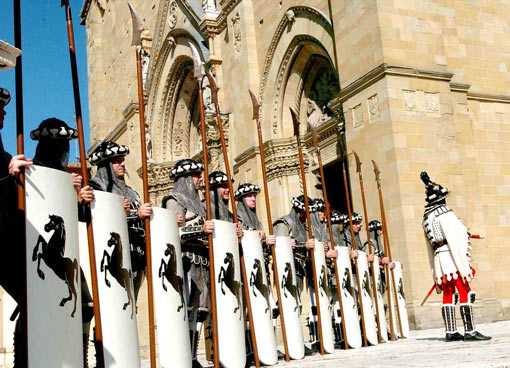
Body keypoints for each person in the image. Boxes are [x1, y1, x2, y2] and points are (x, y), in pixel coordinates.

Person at [30, 117, 95, 366]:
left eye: (65, 145)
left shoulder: (68, 180)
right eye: (59, 145)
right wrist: (61, 185)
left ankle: (80, 357)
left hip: (62, 251)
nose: (63, 151)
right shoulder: (33, 173)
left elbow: (80, 218)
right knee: (34, 309)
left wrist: (81, 200)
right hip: (36, 246)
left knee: (86, 304)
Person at [420, 172, 490, 341]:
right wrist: (468, 234)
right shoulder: (445, 214)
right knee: (464, 290)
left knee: (448, 293)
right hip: (451, 257)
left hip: (439, 258)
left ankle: (450, 331)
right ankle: (470, 330)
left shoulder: (426, 219)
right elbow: (458, 232)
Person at [162, 159, 213, 368]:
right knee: (182, 308)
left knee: (198, 310)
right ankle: (180, 354)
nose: (199, 178)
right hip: (183, 260)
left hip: (201, 259)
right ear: (185, 179)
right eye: (195, 175)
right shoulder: (173, 201)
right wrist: (201, 230)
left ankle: (192, 356)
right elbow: (174, 232)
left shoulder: (199, 204)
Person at [89, 141, 152, 301]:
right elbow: (97, 217)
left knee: (130, 302)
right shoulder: (96, 187)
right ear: (105, 164)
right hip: (112, 255)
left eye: (122, 159)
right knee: (114, 302)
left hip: (137, 254)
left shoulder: (131, 192)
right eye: (117, 160)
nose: (123, 164)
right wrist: (134, 214)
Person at [0, 87, 32, 366]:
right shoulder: (4, 162)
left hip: (6, 240)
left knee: (33, 298)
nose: (5, 111)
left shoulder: (4, 154)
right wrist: (6, 175)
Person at [273, 195, 317, 354]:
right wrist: (301, 245)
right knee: (281, 305)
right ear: (299, 210)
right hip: (286, 268)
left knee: (296, 305)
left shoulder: (304, 227)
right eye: (305, 212)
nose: (307, 216)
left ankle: (295, 341)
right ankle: (273, 344)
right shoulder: (284, 223)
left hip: (299, 268)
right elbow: (278, 246)